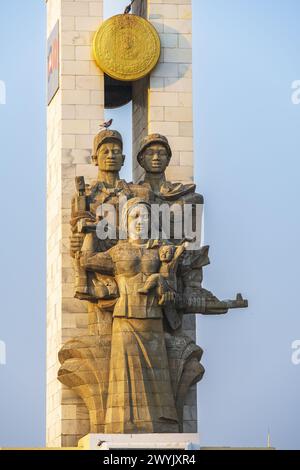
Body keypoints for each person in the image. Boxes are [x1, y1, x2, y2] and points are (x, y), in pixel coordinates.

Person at [82, 198, 179, 433]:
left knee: (157, 379)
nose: (140, 221)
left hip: (153, 321)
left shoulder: (158, 252)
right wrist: (89, 232)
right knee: (124, 377)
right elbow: (86, 260)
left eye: (145, 216)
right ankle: (124, 425)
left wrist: (168, 266)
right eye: (135, 216)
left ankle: (162, 425)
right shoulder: (118, 252)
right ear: (126, 222)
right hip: (125, 319)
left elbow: (171, 284)